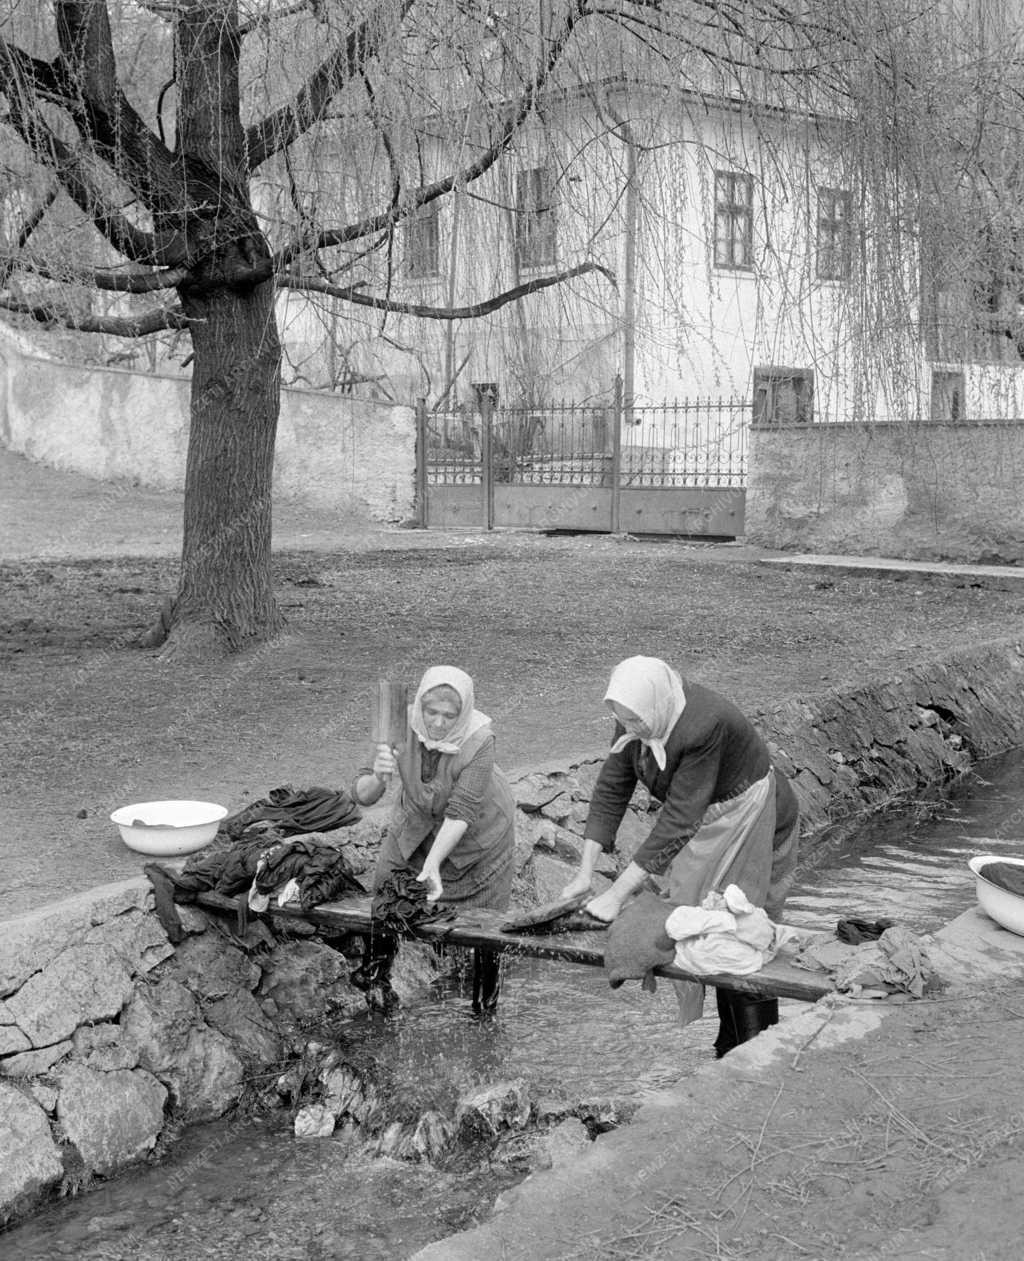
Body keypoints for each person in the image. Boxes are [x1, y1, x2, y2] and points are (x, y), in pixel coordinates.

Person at [560, 656, 800, 1057]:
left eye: (635, 721)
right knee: (704, 927)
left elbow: (678, 822)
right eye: (624, 721)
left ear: (655, 704)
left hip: (754, 817)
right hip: (708, 823)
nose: (630, 728)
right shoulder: (639, 710)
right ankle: (731, 1043)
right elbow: (611, 789)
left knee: (742, 928)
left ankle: (754, 1049)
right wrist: (585, 873)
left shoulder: (706, 724)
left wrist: (616, 896)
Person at [353, 665, 516, 1015]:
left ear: (464, 713)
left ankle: (485, 1010)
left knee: (486, 927)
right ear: (419, 707)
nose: (439, 723)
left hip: (479, 836)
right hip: (417, 820)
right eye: (431, 713)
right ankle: (377, 984)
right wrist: (380, 777)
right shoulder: (397, 721)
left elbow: (461, 812)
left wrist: (431, 866)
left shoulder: (480, 740)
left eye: (449, 715)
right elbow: (362, 795)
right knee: (386, 891)